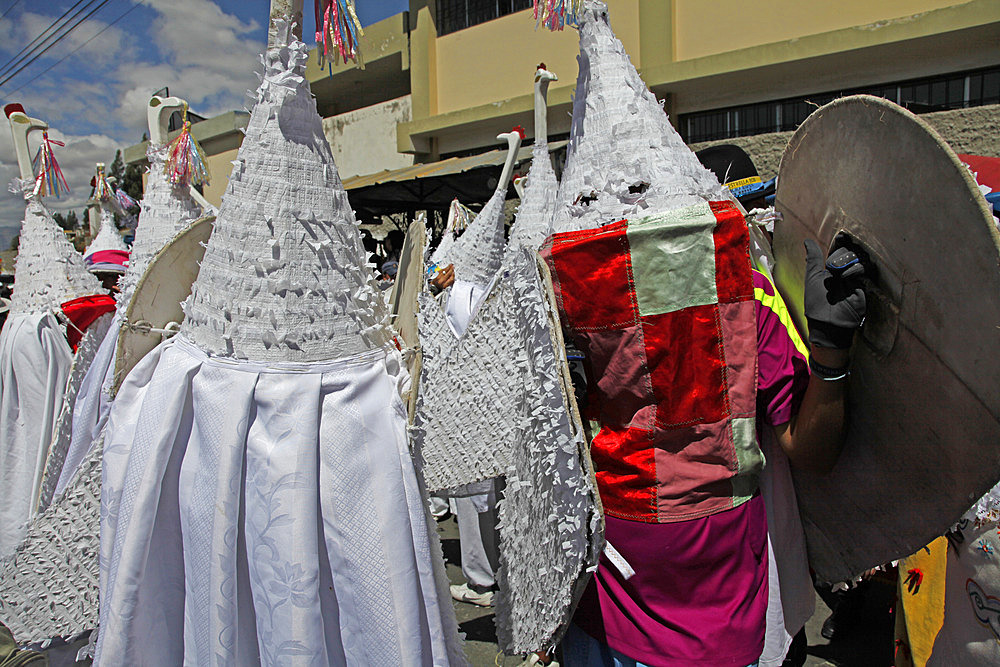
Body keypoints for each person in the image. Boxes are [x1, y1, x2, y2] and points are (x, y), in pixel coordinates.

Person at [549, 210, 867, 667]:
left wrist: (831, 348)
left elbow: (811, 450)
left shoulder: (744, 295)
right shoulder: (560, 294)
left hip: (716, 610)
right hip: (601, 595)